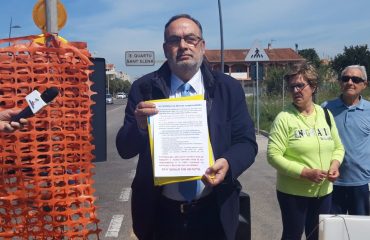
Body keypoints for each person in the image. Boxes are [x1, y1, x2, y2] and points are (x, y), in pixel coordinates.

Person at [116, 14, 257, 240]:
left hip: (214, 210)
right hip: (160, 214)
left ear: (202, 46)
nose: (183, 46)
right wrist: (140, 127)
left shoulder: (228, 88)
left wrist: (228, 163)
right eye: (174, 40)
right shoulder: (143, 88)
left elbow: (246, 143)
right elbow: (124, 148)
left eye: (190, 39)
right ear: (165, 49)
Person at [267, 63, 345, 240]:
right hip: (293, 193)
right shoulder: (284, 118)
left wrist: (334, 165)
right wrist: (305, 172)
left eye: (300, 85)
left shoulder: (325, 114)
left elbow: (338, 147)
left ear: (313, 86)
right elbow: (273, 156)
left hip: (324, 192)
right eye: (292, 86)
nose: (296, 90)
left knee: (317, 236)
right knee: (292, 235)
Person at [322, 65, 370, 215]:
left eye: (355, 79)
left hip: (361, 183)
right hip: (331, 182)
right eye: (345, 78)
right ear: (339, 82)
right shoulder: (325, 108)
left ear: (364, 85)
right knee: (333, 232)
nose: (350, 82)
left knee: (361, 232)